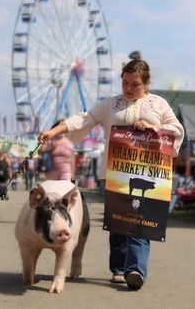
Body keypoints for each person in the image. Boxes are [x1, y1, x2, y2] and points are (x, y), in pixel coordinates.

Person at [38, 59, 184, 290]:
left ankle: (135, 269)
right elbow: (84, 119)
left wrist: (153, 127)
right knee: (118, 221)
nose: (128, 88)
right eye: (125, 82)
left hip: (147, 173)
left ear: (147, 83)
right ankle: (118, 268)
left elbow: (176, 130)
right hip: (114, 172)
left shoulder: (159, 104)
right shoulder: (111, 104)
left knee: (138, 220)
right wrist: (53, 130)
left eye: (135, 84)